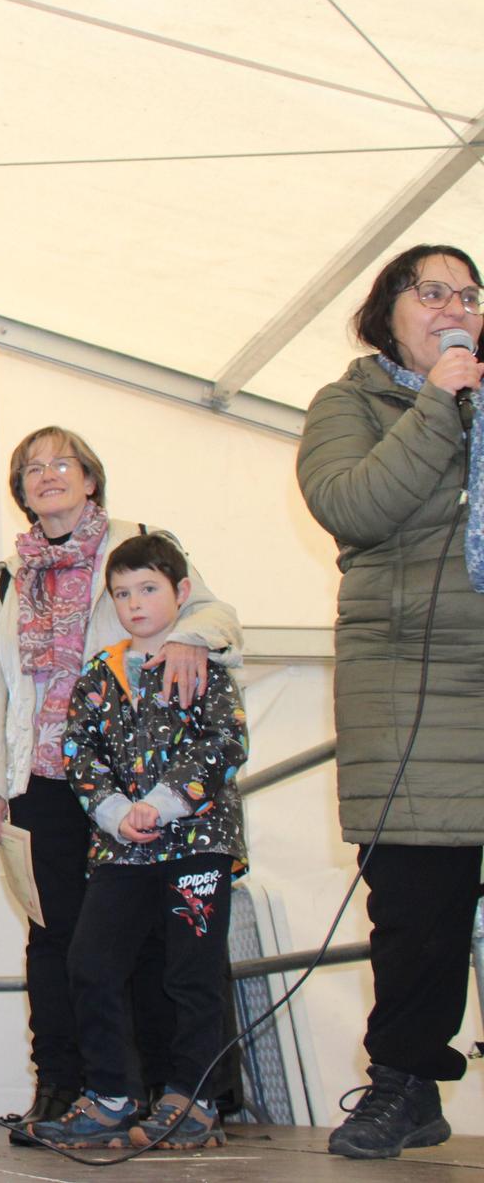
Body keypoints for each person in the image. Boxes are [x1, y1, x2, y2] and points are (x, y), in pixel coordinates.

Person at [0, 426, 241, 1136]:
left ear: (91, 477)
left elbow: (212, 613)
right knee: (58, 937)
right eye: (31, 468)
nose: (47, 475)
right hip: (50, 773)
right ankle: (67, 1085)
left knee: (157, 940)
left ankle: (171, 1089)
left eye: (62, 463)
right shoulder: (6, 574)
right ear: (20, 490)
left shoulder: (139, 540)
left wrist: (187, 639)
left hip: (144, 777)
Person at [297, 243, 484, 1160]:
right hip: (408, 678)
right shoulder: (350, 404)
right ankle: (405, 1080)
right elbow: (356, 505)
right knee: (418, 901)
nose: (455, 305)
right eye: (433, 291)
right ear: (388, 311)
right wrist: (443, 402)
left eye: (469, 293)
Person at [30, 534, 247, 1151]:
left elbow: (225, 745)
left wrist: (164, 803)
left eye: (148, 589)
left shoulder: (207, 665)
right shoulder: (100, 673)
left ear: (181, 593)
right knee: (89, 962)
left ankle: (193, 1097)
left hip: (198, 847)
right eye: (122, 593)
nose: (135, 603)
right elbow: (79, 753)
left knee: (191, 973)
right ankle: (111, 1095)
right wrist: (115, 811)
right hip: (122, 852)